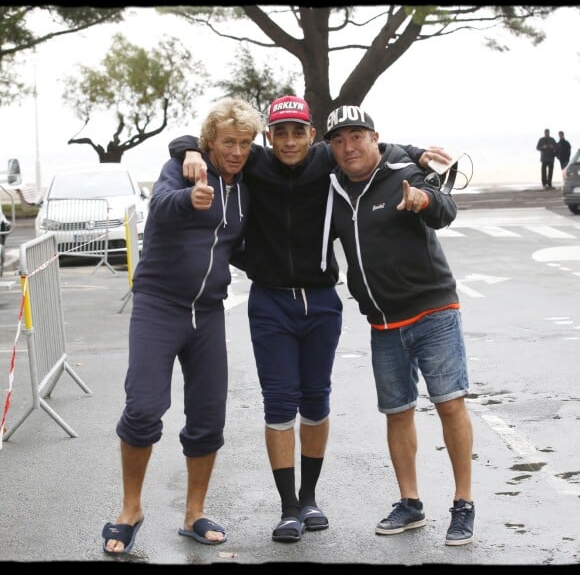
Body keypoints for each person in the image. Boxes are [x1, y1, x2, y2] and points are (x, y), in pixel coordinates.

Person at [169, 95, 451, 543]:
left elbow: (380, 147)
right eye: (279, 132)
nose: (289, 140)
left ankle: (309, 498)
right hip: (271, 302)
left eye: (297, 131)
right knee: (279, 403)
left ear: (311, 135)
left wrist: (417, 154)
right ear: (269, 136)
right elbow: (202, 144)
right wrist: (184, 149)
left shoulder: (328, 160)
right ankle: (287, 509)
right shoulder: (254, 161)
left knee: (316, 401)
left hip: (320, 301)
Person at [101, 97, 264, 554]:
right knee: (144, 409)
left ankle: (194, 513)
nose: (236, 151)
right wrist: (189, 196)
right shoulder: (186, 170)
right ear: (210, 142)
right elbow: (161, 204)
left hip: (209, 312)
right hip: (159, 306)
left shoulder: (246, 182)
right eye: (228, 142)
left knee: (209, 417)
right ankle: (130, 509)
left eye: (245, 143)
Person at [321, 105, 475, 546]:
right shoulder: (332, 185)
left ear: (375, 138)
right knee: (397, 412)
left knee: (449, 405)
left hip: (433, 312)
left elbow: (444, 209)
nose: (349, 147)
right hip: (383, 323)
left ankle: (463, 504)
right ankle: (410, 503)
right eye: (339, 140)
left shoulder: (407, 170)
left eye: (357, 136)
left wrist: (424, 200)